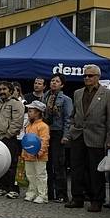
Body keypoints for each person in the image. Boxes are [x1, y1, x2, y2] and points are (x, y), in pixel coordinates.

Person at [66, 64, 110, 212]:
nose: (86, 78)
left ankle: (97, 200)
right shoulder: (78, 93)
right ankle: (77, 197)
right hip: (78, 134)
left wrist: (109, 138)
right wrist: (70, 130)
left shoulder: (107, 94)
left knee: (95, 171)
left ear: (97, 77)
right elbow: (73, 114)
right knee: (76, 168)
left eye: (90, 75)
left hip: (97, 136)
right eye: (85, 75)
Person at [0, 81, 25, 199]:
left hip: (9, 138)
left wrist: (9, 134)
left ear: (10, 91)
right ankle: (3, 187)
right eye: (0, 89)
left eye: (4, 89)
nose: (2, 92)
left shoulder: (16, 103)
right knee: (1, 164)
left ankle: (13, 189)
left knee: (11, 164)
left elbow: (17, 121)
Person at [42, 73, 73, 202]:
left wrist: (66, 135)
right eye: (52, 80)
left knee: (59, 164)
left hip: (58, 132)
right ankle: (49, 192)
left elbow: (68, 119)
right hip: (46, 131)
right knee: (47, 163)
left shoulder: (66, 99)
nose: (54, 83)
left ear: (62, 84)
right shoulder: (46, 96)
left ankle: (62, 194)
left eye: (57, 81)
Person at [22, 101, 50, 204]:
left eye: (31, 111)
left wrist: (40, 152)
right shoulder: (28, 125)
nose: (28, 113)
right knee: (30, 174)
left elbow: (44, 140)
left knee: (40, 175)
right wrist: (25, 152)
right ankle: (32, 192)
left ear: (38, 112)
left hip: (39, 156)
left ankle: (42, 195)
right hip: (28, 155)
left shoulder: (43, 126)